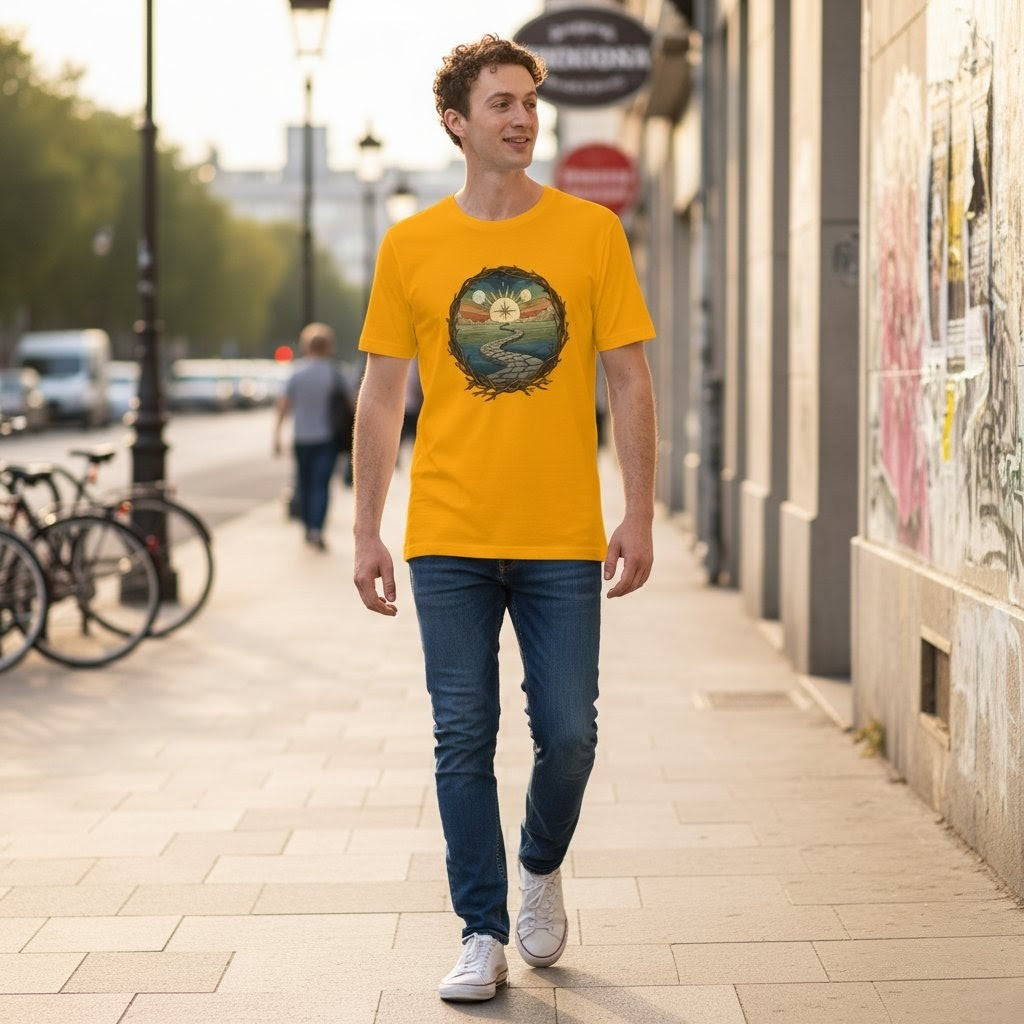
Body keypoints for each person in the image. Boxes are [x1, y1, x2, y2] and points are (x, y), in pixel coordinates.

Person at [352, 34, 656, 1003]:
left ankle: (537, 859)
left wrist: (638, 509)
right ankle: (480, 926)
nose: (522, 117)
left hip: (561, 531)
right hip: (446, 533)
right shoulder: (411, 245)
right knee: (462, 732)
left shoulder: (589, 232)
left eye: (530, 101)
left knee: (568, 734)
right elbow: (378, 393)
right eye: (501, 103)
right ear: (457, 121)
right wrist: (366, 526)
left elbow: (630, 377)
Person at [273, 322, 340, 550]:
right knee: (321, 485)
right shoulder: (334, 373)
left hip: (301, 437)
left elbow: (283, 406)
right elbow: (351, 404)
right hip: (326, 438)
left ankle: (307, 526)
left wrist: (277, 435)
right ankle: (317, 529)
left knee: (304, 482)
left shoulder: (297, 373)